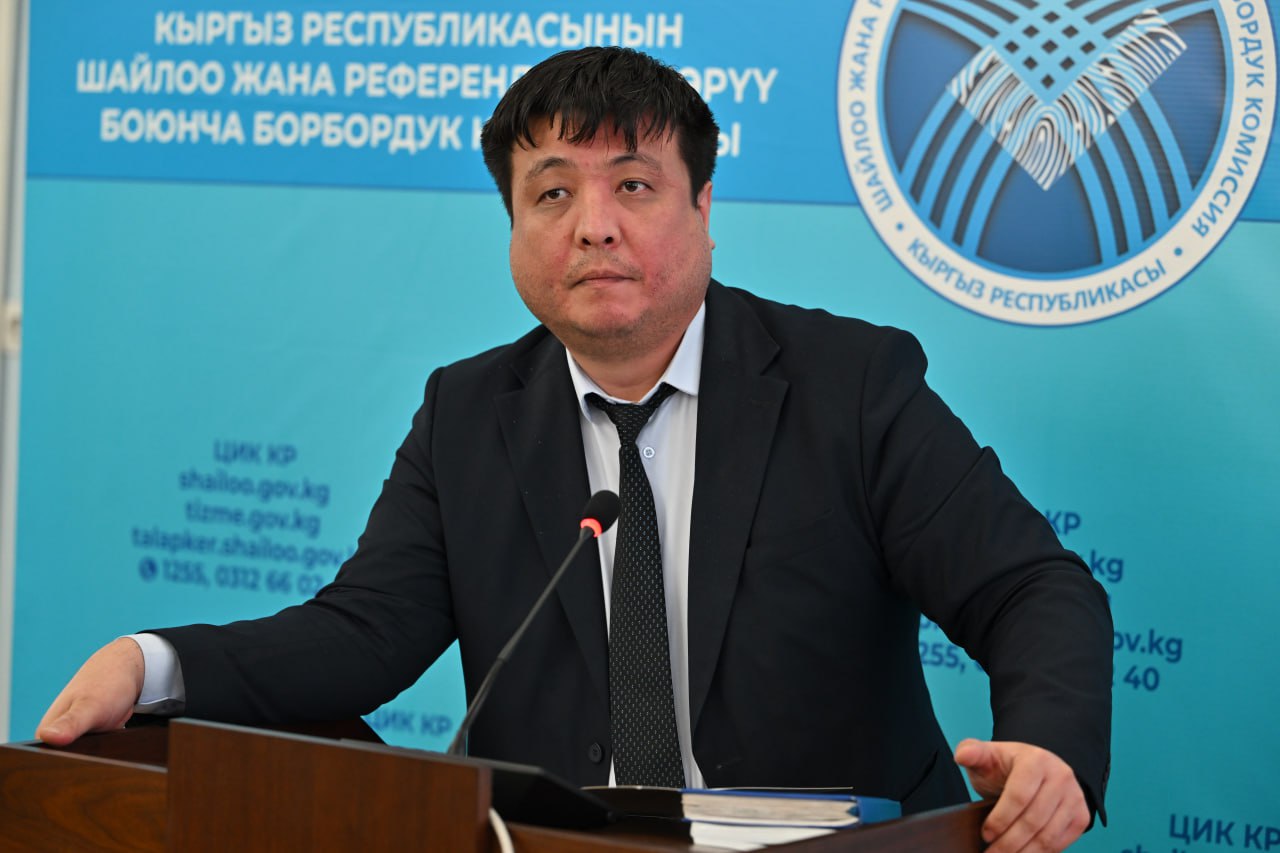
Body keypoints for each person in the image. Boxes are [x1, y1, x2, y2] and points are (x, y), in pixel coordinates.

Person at [37, 47, 1111, 852]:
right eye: (551, 192)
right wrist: (155, 663)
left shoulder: (850, 384)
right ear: (512, 228)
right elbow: (363, 633)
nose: (593, 225)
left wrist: (1050, 746)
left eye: (633, 185)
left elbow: (1029, 586)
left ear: (703, 206)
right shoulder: (467, 413)